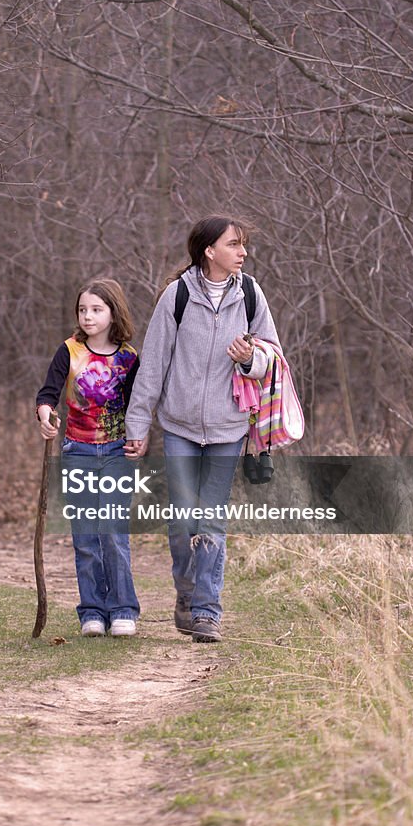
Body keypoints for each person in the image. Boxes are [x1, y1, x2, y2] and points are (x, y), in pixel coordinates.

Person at [124, 216, 281, 643]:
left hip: (230, 427)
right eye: (234, 244)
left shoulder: (250, 294)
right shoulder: (176, 297)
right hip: (179, 428)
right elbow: (152, 366)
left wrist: (249, 359)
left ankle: (207, 611)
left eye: (243, 245)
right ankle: (186, 594)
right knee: (182, 521)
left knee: (211, 519)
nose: (243, 252)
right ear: (209, 251)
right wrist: (137, 425)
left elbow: (273, 358)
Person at [36, 278, 141, 638]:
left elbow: (137, 407)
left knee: (112, 532)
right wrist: (45, 415)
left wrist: (140, 439)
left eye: (96, 309)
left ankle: (124, 609)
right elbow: (48, 392)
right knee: (85, 538)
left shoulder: (129, 358)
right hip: (77, 451)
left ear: (113, 313)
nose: (88, 316)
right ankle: (92, 612)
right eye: (82, 309)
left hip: (116, 452)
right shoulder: (69, 351)